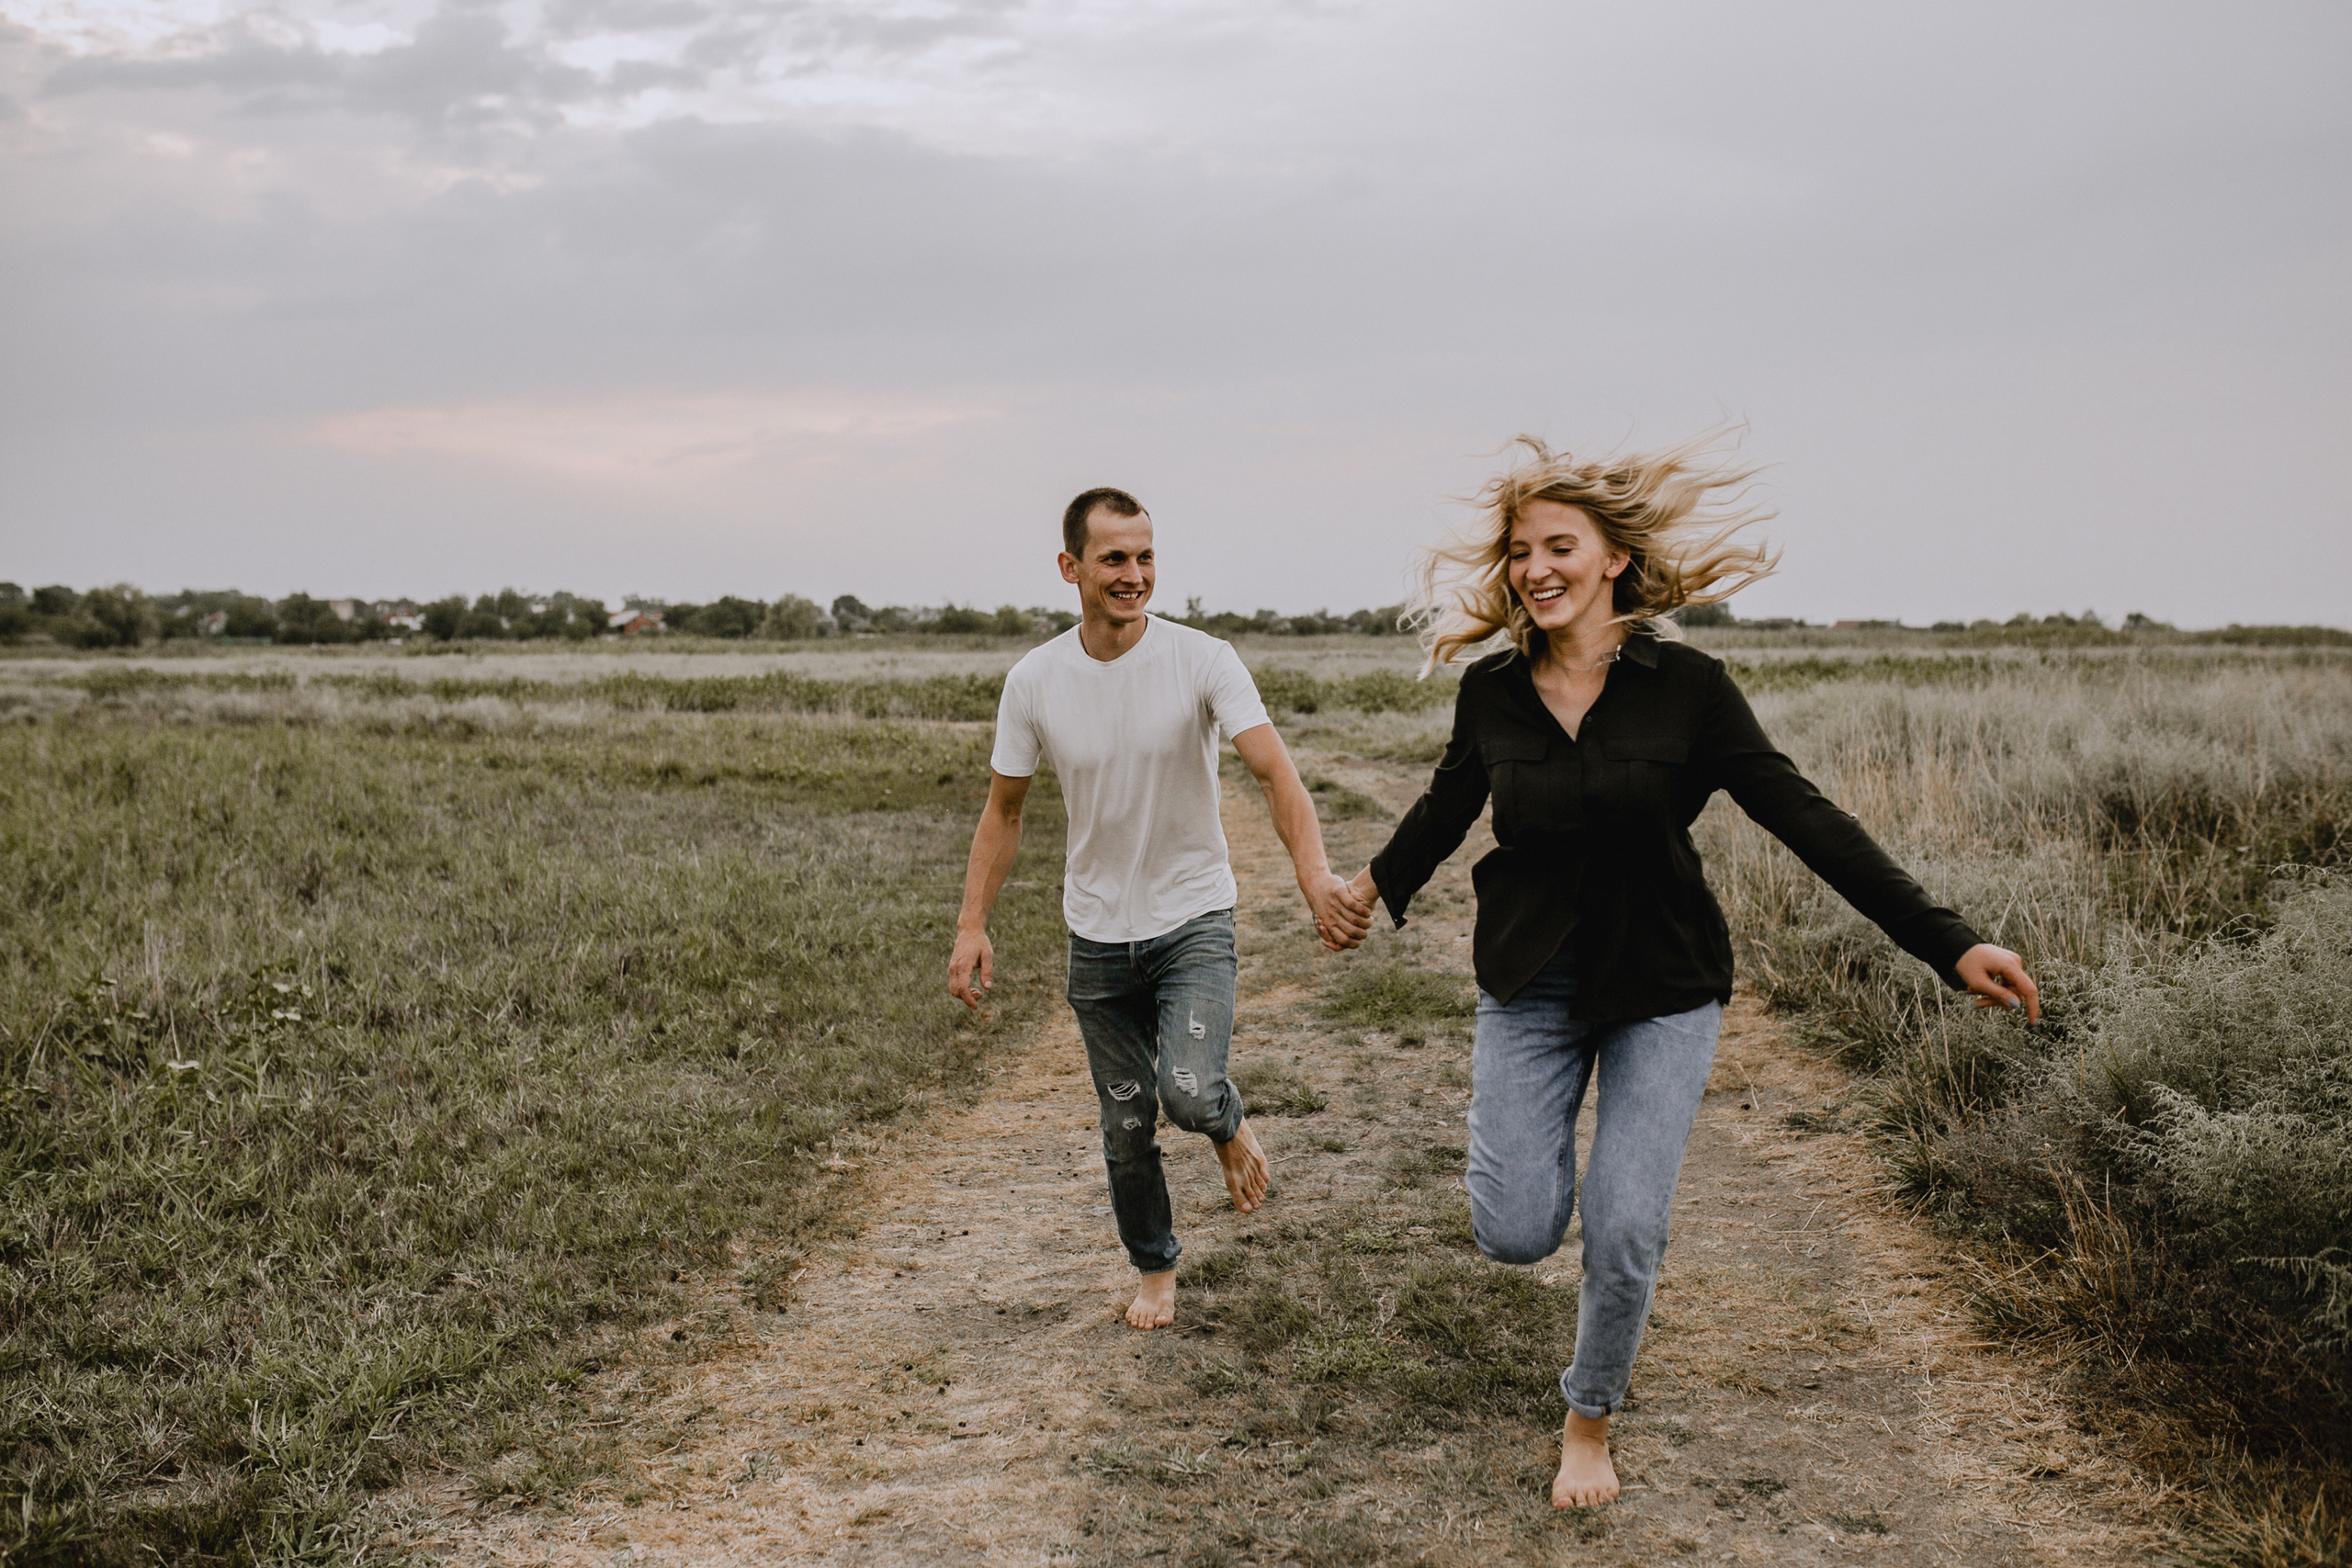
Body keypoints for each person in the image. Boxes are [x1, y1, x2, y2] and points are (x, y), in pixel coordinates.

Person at [1343, 435, 2041, 1508]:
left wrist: (1946, 942)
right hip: (1530, 982)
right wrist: (1370, 889)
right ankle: (1524, 1175)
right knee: (1515, 1229)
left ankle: (1588, 1418)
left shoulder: (1691, 691)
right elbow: (1447, 805)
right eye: (1520, 551)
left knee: (1624, 1222)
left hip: (1661, 984)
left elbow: (1806, 819)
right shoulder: (1493, 691)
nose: (1535, 568)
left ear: (1614, 557)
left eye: (1559, 546)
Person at [950, 486, 1374, 1330]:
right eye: (1114, 558)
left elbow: (1274, 773)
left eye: (1145, 556)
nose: (1134, 574)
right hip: (1097, 934)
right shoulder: (1035, 680)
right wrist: (971, 925)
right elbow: (1004, 811)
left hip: (1192, 920)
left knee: (1186, 1092)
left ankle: (1224, 1120)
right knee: (1126, 1122)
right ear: (1070, 567)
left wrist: (1314, 875)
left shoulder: (1203, 659)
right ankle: (1155, 1267)